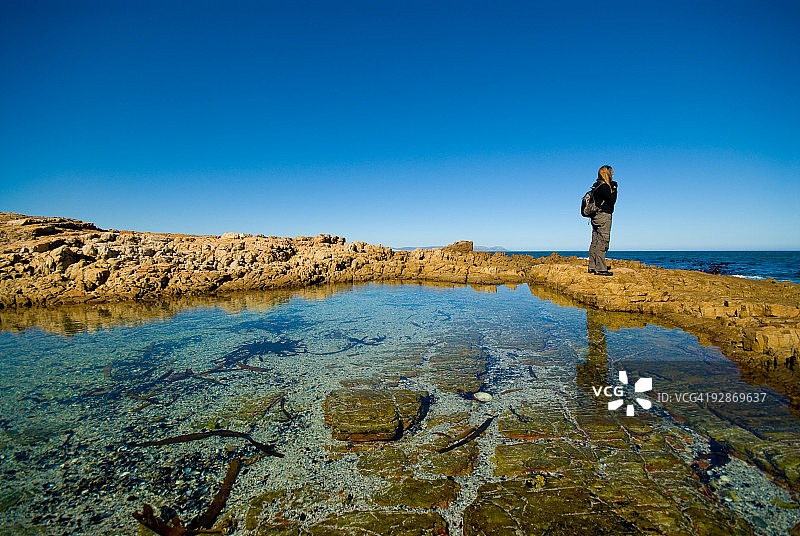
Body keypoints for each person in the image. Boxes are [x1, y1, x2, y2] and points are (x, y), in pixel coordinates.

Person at [588, 165, 618, 276]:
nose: (613, 174)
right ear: (608, 174)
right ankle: (600, 269)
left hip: (595, 216)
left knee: (595, 241)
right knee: (603, 241)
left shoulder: (596, 186)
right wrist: (614, 189)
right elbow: (611, 201)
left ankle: (592, 266)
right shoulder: (605, 187)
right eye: (612, 172)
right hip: (604, 216)